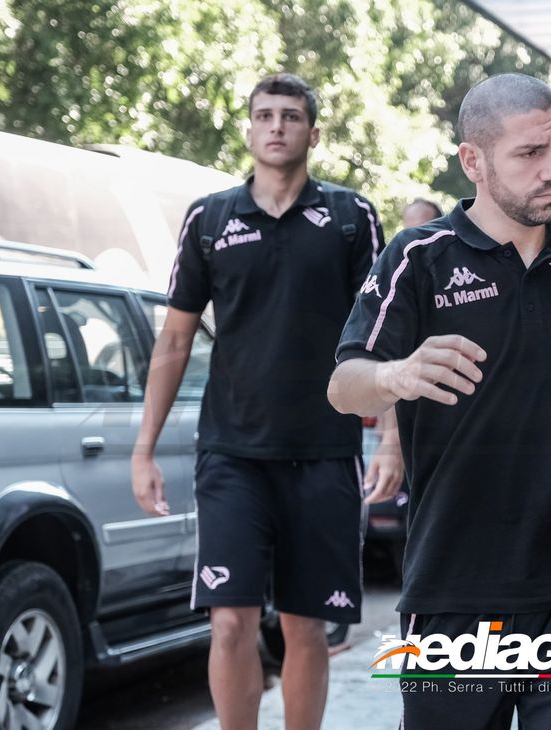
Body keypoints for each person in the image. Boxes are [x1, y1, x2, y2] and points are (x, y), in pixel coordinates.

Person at [328, 73, 551, 729]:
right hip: (453, 592)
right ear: (474, 160)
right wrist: (397, 375)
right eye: (529, 154)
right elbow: (344, 386)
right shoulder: (419, 258)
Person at [131, 73, 402, 729]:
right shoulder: (211, 218)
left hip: (324, 451)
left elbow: (382, 333)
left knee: (307, 629)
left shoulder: (348, 217)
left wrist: (390, 436)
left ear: (313, 131)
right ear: (249, 130)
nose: (276, 125)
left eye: (290, 115)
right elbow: (173, 340)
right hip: (232, 453)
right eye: (263, 115)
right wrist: (143, 451)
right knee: (230, 622)